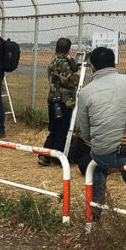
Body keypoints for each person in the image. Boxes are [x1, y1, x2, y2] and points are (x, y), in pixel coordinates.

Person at [76, 46, 126, 230]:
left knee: (97, 169)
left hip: (102, 151)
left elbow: (85, 131)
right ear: (115, 63)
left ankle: (94, 215)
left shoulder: (85, 93)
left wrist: (98, 140)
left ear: (93, 67)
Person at [41, 37, 80, 166]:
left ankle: (45, 155)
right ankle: (56, 158)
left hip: (53, 98)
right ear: (68, 49)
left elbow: (73, 68)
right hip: (63, 100)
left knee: (54, 128)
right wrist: (78, 79)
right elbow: (69, 79)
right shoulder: (62, 62)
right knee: (61, 129)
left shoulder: (55, 59)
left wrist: (70, 59)